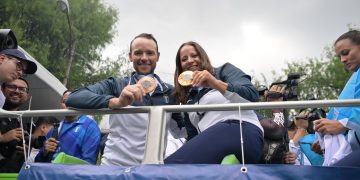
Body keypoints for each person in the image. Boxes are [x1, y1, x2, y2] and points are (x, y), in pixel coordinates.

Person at [66, 33, 183, 166]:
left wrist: (194, 97)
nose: (144, 58)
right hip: (114, 168)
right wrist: (115, 102)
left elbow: (181, 131)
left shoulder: (170, 91)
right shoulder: (117, 84)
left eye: (150, 53)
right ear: (130, 56)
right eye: (138, 53)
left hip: (152, 170)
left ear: (157, 56)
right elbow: (73, 98)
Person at [164, 41, 263, 164]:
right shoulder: (188, 100)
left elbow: (252, 95)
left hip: (240, 131)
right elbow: (194, 138)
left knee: (171, 166)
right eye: (184, 59)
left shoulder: (224, 71)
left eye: (194, 56)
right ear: (180, 67)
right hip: (213, 143)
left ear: (203, 57)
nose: (189, 60)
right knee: (182, 167)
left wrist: (214, 82)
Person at [311, 30, 360, 166]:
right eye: (339, 56)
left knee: (335, 174)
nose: (343, 60)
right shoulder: (356, 77)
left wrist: (341, 125)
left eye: (345, 53)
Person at [35, 90, 101, 164]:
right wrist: (44, 152)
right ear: (61, 105)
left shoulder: (90, 126)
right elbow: (37, 161)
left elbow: (88, 163)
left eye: (73, 101)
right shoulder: (55, 128)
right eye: (65, 101)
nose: (69, 104)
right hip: (48, 173)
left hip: (71, 175)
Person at [0, 78, 31, 172]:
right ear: (1, 90)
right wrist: (3, 138)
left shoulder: (21, 120)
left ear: (27, 96)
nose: (17, 91)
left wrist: (25, 151)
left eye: (22, 89)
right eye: (12, 87)